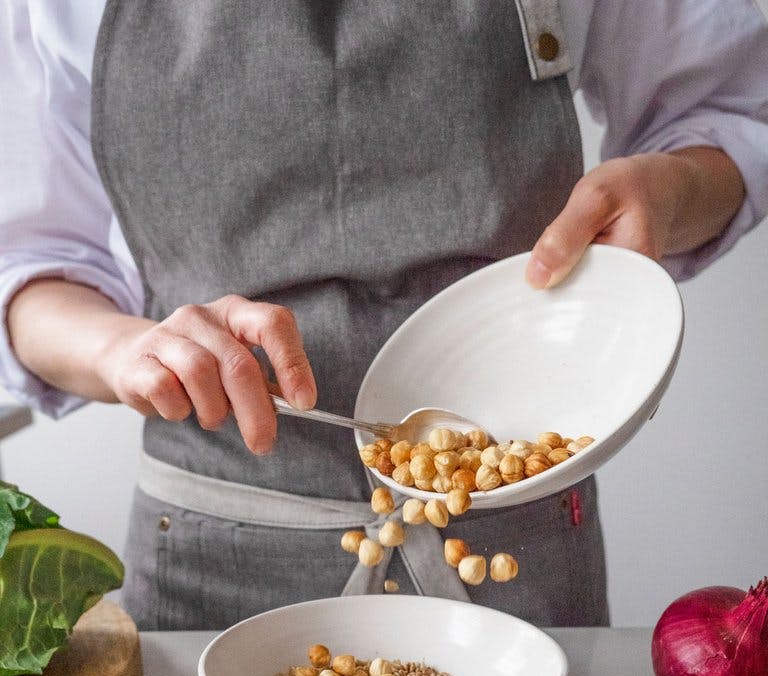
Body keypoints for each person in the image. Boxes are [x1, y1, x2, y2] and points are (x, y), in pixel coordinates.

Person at [1, 1, 767, 630]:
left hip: (513, 546)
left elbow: (731, 114)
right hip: (205, 560)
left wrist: (669, 191)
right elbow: (28, 273)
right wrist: (125, 349)